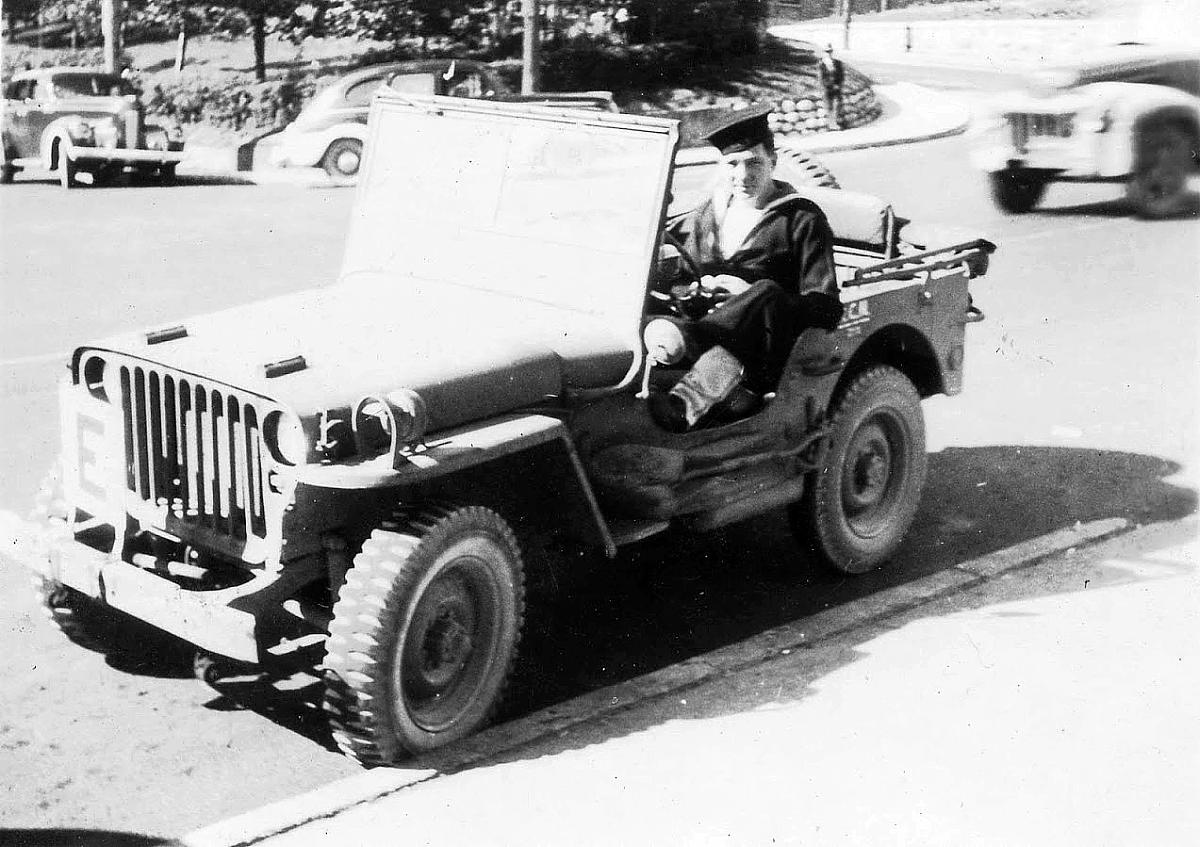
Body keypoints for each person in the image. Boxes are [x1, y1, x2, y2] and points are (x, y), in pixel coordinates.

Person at [647, 107, 843, 432]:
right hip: (712, 328)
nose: (742, 175)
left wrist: (746, 296)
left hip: (769, 347)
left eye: (754, 163)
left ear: (773, 162)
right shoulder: (710, 213)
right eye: (732, 164)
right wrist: (699, 288)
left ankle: (686, 387)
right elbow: (682, 279)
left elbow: (825, 308)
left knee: (765, 293)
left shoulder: (801, 218)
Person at [816, 44, 845, 130]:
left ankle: (835, 123)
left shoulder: (837, 63)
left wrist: (838, 85)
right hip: (827, 88)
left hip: (837, 88)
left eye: (830, 51)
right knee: (829, 106)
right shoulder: (821, 64)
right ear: (824, 53)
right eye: (826, 52)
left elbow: (841, 76)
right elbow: (821, 78)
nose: (828, 53)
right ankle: (831, 124)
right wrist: (829, 85)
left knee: (837, 105)